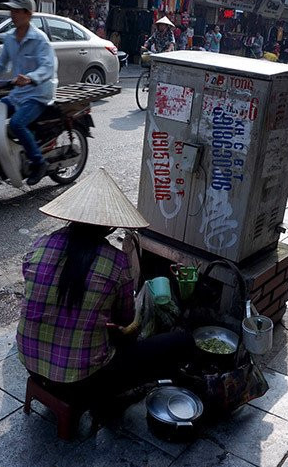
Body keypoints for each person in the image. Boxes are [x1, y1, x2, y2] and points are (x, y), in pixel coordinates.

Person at [17, 168, 194, 415]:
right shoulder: (116, 262)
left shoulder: (39, 246)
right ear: (110, 227)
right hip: (83, 379)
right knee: (182, 341)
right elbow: (125, 320)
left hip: (30, 362)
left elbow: (37, 292)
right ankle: (113, 397)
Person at [0, 0, 57, 185]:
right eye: (11, 10)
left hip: (38, 94)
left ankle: (39, 163)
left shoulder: (40, 39)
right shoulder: (11, 38)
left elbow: (48, 67)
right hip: (18, 93)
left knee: (16, 124)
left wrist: (30, 78)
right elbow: (0, 64)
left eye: (16, 10)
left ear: (28, 14)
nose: (12, 14)